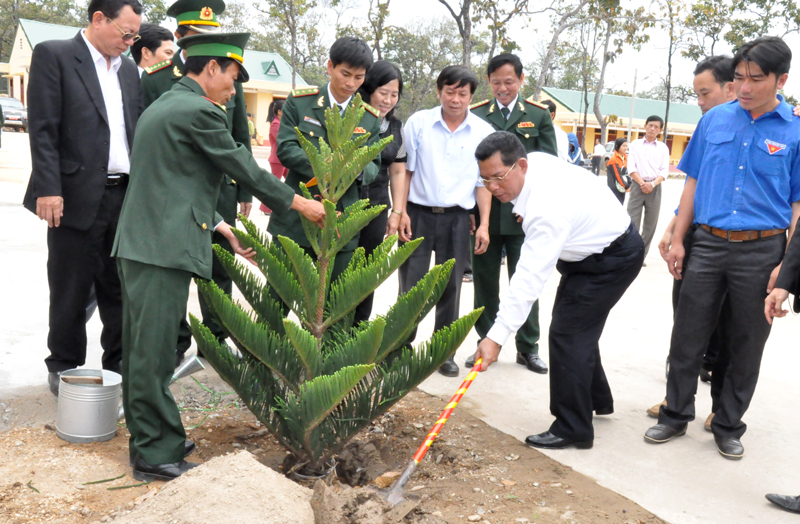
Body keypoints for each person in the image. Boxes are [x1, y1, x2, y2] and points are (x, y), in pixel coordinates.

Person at [113, 32, 326, 482]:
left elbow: (175, 179)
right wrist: (300, 203)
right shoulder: (197, 111)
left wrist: (222, 227)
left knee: (141, 350)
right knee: (151, 356)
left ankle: (154, 435)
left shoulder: (170, 103)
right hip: (160, 250)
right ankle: (154, 453)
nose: (233, 91)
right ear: (210, 69)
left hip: (146, 244)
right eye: (231, 78)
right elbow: (240, 164)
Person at [645, 36, 800, 460]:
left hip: (762, 251)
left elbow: (797, 207)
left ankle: (728, 423)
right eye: (738, 78)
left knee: (747, 342)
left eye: (755, 79)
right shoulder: (714, 122)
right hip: (708, 245)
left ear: (781, 79)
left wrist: (785, 268)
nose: (744, 88)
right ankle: (674, 415)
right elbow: (692, 181)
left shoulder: (795, 132)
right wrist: (678, 238)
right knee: (688, 335)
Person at [473, 131, 643, 450]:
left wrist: (496, 337)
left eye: (498, 178)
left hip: (612, 258)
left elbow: (528, 278)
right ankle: (596, 399)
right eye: (486, 180)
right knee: (577, 328)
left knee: (567, 334)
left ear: (520, 165)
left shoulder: (544, 210)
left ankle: (573, 427)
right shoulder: (533, 165)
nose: (493, 188)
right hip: (589, 252)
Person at [23, 0, 143, 396]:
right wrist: (49, 188)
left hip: (122, 195)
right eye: (125, 33)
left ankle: (119, 363)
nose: (130, 42)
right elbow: (42, 128)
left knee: (119, 288)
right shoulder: (55, 55)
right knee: (70, 287)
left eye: (135, 35)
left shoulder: (128, 70)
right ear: (98, 19)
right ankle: (64, 365)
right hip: (71, 195)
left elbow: (131, 130)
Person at [141, 0, 254, 366]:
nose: (208, 43)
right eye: (197, 37)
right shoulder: (158, 81)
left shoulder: (227, 76)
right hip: (175, 196)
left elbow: (239, 140)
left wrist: (246, 191)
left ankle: (216, 339)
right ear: (181, 37)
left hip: (220, 189)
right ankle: (175, 343)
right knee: (176, 269)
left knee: (219, 267)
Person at [647, 56, 737, 426]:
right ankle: (677, 398)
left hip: (738, 243)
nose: (699, 101)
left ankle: (721, 405)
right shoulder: (708, 126)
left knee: (728, 324)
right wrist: (674, 230)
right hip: (699, 234)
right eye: (696, 94)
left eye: (705, 93)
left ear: (731, 87)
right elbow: (694, 186)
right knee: (686, 318)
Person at [398, 65, 494, 377]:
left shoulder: (482, 133)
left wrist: (483, 224)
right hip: (418, 215)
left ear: (471, 96)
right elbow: (405, 171)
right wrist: (399, 212)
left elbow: (483, 183)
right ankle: (400, 348)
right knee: (411, 286)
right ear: (439, 91)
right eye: (449, 91)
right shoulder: (419, 123)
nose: (455, 99)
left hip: (457, 219)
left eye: (462, 93)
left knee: (450, 288)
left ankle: (443, 353)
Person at [464, 53, 557, 375]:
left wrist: (534, 207)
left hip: (524, 217)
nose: (502, 88)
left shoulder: (538, 115)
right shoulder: (475, 114)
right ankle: (486, 341)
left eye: (509, 81)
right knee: (485, 283)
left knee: (526, 279)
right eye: (496, 82)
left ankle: (527, 347)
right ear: (488, 82)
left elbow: (547, 167)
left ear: (520, 80)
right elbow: (472, 170)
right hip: (486, 214)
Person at [268, 37, 382, 298]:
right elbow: (286, 148)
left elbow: (374, 163)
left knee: (334, 303)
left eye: (358, 77)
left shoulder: (369, 117)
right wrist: (327, 169)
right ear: (330, 67)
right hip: (297, 214)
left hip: (341, 222)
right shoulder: (300, 102)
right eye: (345, 74)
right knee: (278, 298)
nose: (350, 83)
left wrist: (354, 170)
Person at [352, 60, 407, 324]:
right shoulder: (351, 117)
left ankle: (357, 329)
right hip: (347, 202)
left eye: (394, 95)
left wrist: (396, 211)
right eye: (383, 92)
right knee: (340, 267)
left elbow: (397, 172)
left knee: (367, 272)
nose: (387, 100)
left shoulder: (395, 127)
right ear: (369, 89)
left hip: (377, 205)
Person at [626, 115, 669, 263]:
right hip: (637, 186)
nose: (652, 129)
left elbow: (664, 171)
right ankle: (630, 254)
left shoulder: (663, 148)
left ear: (660, 130)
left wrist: (652, 184)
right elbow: (630, 167)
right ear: (645, 126)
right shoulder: (635, 144)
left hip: (655, 188)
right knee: (632, 222)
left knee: (650, 224)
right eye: (650, 125)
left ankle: (640, 256)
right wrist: (642, 183)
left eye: (656, 127)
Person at [259, 99, 287, 215]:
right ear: (280, 111)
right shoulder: (275, 124)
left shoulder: (281, 123)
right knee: (274, 185)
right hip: (277, 160)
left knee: (293, 182)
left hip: (284, 159)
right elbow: (282, 140)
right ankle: (265, 208)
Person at [606, 137, 630, 204]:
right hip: (615, 188)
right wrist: (626, 186)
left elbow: (626, 173)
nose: (626, 148)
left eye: (626, 146)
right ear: (617, 146)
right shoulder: (614, 159)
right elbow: (617, 175)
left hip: (621, 188)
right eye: (623, 146)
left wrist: (629, 183)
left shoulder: (625, 158)